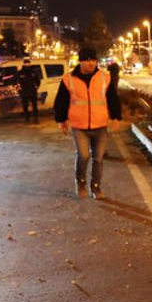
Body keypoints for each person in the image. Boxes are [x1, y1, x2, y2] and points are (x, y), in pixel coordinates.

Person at [54, 48, 113, 199]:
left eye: (93, 60)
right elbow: (61, 101)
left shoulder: (104, 77)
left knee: (98, 158)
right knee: (84, 155)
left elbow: (113, 98)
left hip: (100, 124)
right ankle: (80, 183)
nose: (90, 63)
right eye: (87, 60)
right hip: (79, 126)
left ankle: (96, 187)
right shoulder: (69, 79)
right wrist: (61, 120)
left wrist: (116, 116)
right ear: (80, 61)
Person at [18, 58, 41, 123]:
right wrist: (20, 90)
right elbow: (17, 82)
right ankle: (27, 118)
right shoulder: (20, 72)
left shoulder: (33, 72)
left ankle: (35, 118)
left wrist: (36, 87)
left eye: (28, 63)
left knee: (34, 105)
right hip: (24, 92)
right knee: (25, 105)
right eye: (26, 63)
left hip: (32, 91)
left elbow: (38, 81)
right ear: (24, 64)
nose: (27, 65)